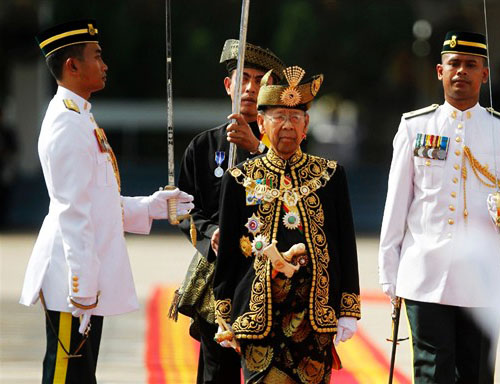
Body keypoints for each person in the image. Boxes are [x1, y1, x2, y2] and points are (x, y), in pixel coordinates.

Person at [20, 19, 194, 383]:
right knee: (66, 376)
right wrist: (82, 290)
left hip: (82, 277)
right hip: (72, 280)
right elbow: (73, 213)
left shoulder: (81, 117)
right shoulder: (67, 124)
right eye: (96, 57)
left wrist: (151, 207)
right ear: (72, 66)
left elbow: (98, 203)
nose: (105, 65)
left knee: (80, 377)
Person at [378, 31, 500, 383]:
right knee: (432, 370)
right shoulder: (415, 126)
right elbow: (397, 203)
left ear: (485, 74)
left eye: (471, 65)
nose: (461, 71)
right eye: (454, 64)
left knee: (477, 372)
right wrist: (390, 272)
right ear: (439, 71)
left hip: (483, 277)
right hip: (426, 272)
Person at [213, 65, 360, 383]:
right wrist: (224, 315)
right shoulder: (239, 179)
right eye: (279, 116)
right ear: (262, 122)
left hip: (315, 317)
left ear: (307, 125)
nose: (288, 125)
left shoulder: (331, 176)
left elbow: (346, 245)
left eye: (296, 118)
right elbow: (226, 259)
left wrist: (348, 306)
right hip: (257, 317)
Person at [175, 39, 285, 383]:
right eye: (244, 79)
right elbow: (183, 210)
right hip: (216, 278)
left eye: (259, 81)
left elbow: (292, 199)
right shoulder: (203, 146)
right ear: (229, 85)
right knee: (215, 373)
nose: (251, 88)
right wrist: (211, 234)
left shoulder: (285, 149)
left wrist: (257, 148)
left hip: (269, 279)